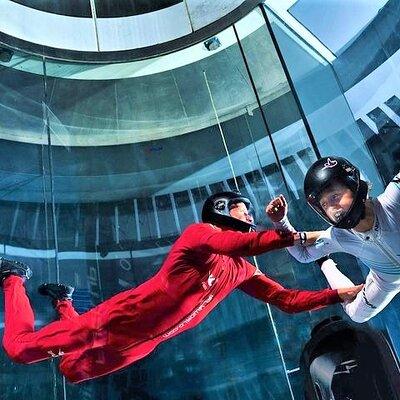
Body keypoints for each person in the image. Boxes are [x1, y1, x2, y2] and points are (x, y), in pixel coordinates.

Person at [1, 191, 361, 384]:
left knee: (70, 371)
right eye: (242, 209)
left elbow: (287, 300)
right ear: (220, 210)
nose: (249, 216)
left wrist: (337, 294)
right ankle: (14, 276)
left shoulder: (241, 272)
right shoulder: (200, 234)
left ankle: (63, 301)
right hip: (113, 322)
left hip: (139, 347)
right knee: (19, 350)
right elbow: (241, 245)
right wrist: (297, 236)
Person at [266, 156, 400, 323]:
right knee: (357, 315)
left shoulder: (394, 198)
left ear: (354, 185)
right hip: (386, 282)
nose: (332, 208)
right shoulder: (339, 236)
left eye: (334, 197)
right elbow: (303, 256)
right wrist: (281, 222)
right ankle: (325, 259)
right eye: (325, 205)